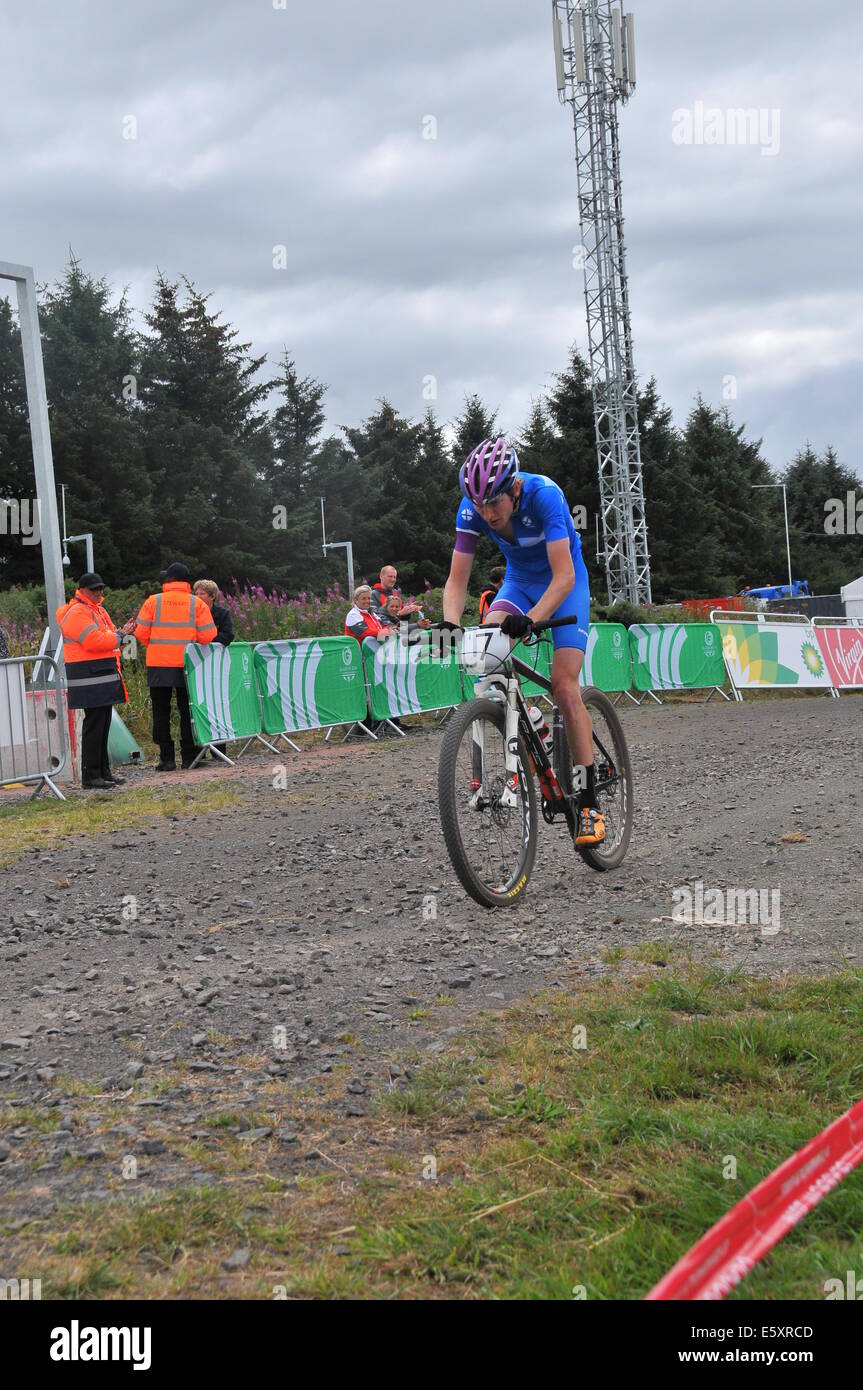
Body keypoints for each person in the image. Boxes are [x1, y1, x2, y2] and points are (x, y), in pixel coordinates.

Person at [441, 436, 604, 846]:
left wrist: (533, 620)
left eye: (494, 503)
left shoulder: (545, 496)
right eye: (479, 505)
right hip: (518, 582)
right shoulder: (474, 509)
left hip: (564, 583)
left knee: (565, 686)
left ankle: (587, 802)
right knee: (488, 654)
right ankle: (528, 718)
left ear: (514, 488)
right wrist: (448, 623)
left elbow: (564, 574)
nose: (487, 513)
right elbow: (457, 580)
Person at [127, 562, 217, 771]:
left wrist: (157, 645)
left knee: (161, 711)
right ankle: (189, 757)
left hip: (159, 664)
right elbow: (208, 636)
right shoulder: (198, 604)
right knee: (188, 711)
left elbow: (140, 632)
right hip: (188, 665)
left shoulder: (153, 602)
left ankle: (166, 759)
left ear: (170, 580)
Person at [57, 572, 128, 790]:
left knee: (103, 723)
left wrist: (118, 635)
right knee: (95, 726)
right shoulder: (78, 612)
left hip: (99, 674)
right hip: (89, 676)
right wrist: (119, 636)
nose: (99, 593)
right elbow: (93, 641)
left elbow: (104, 637)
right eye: (94, 589)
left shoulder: (95, 610)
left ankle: (103, 772)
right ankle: (91, 776)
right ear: (82, 590)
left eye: (100, 589)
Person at [194, 579, 234, 758]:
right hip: (195, 666)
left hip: (216, 666)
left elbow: (228, 636)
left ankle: (219, 751)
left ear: (212, 596)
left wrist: (207, 642)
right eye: (196, 593)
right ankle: (197, 752)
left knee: (216, 705)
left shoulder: (222, 614)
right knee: (196, 705)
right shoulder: (191, 614)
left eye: (201, 593)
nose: (197, 596)